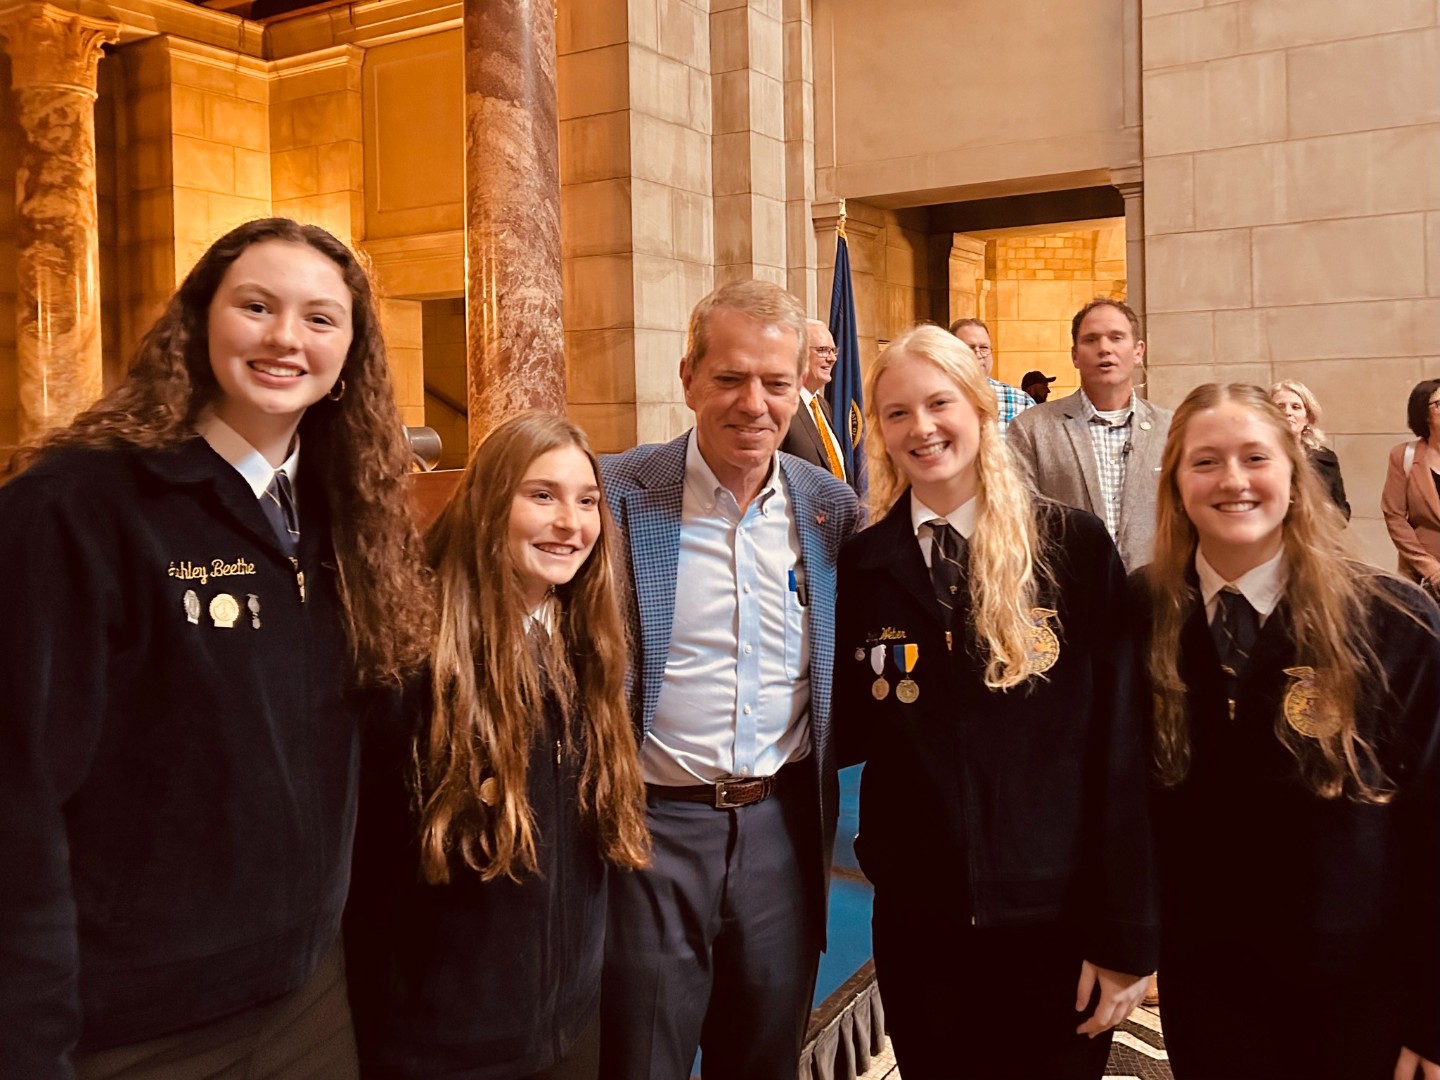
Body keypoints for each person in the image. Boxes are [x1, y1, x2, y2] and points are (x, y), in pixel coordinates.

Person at [0, 217, 431, 1076]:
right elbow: (17, 795)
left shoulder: (351, 512)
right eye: (256, 306)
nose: (284, 338)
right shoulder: (78, 506)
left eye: (319, 318)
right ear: (198, 321)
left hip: (307, 997)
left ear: (352, 349)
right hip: (137, 1021)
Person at [834, 324, 1156, 1080]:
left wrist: (1128, 936)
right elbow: (853, 727)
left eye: (940, 403)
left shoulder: (1069, 549)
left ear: (981, 408)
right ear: (878, 431)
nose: (923, 428)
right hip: (923, 928)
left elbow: (1123, 748)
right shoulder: (866, 564)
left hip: (1057, 921)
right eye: (897, 412)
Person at [1136, 383, 1440, 1080]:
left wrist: (1433, 1011)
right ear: (1177, 483)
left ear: (1295, 475)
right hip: (1211, 983)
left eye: (1255, 458)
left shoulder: (1392, 622)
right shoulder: (1138, 614)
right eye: (1205, 462)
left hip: (1361, 985)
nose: (1233, 481)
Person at [598, 280, 859, 1080]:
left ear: (800, 388)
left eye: (776, 383)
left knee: (764, 1057)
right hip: (650, 830)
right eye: (730, 378)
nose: (754, 404)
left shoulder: (829, 508)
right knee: (642, 1057)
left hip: (781, 830)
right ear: (688, 379)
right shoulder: (616, 493)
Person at [344, 411, 650, 1080]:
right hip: (443, 1041)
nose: (571, 523)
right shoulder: (414, 660)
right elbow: (366, 874)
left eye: (587, 501)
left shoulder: (585, 646)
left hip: (567, 1029)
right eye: (542, 495)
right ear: (488, 505)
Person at [1008, 298, 1172, 571]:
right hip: (1069, 598)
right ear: (1074, 355)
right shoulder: (1032, 430)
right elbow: (1017, 522)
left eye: (1116, 337)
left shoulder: (1170, 429)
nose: (1104, 348)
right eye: (1091, 340)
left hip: (1154, 598)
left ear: (1138, 351)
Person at [1382, 379, 1440, 591]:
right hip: (1424, 578)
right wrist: (1430, 568)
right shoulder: (1403, 456)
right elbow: (1394, 516)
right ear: (1424, 413)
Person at [1271, 378, 1350, 519]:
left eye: (1296, 407)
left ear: (1307, 418)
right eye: (1280, 406)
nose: (1287, 412)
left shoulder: (1326, 458)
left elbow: (1343, 513)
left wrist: (1326, 510)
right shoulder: (1256, 456)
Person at [780, 318, 848, 481]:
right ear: (798, 353)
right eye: (823, 350)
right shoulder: (784, 406)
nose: (832, 358)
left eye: (833, 350)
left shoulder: (822, 406)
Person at [948, 317, 1032, 436]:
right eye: (969, 348)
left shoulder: (1021, 402)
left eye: (984, 348)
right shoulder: (936, 399)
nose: (978, 354)